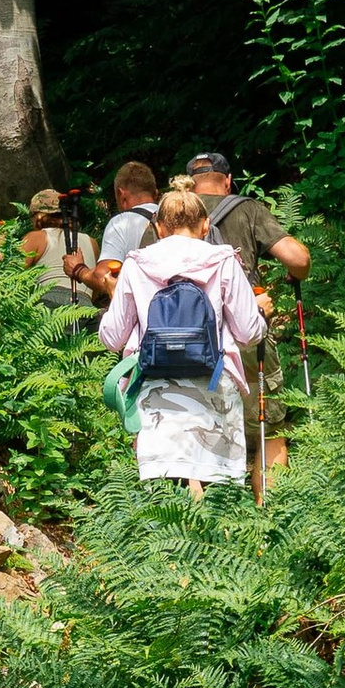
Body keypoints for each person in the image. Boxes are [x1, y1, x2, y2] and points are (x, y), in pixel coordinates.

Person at [100, 185, 263, 500]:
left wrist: (112, 297)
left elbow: (112, 337)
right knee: (219, 495)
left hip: (155, 392)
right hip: (214, 385)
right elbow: (247, 332)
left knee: (166, 494)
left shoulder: (137, 263)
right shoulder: (223, 260)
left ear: (159, 228)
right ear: (205, 226)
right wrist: (261, 316)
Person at [183, 150, 311, 505]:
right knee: (269, 430)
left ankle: (197, 534)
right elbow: (298, 259)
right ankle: (269, 523)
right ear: (227, 180)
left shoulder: (169, 217)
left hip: (187, 341)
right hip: (245, 334)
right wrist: (295, 274)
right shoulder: (246, 209)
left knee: (193, 433)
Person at [18, 183, 98, 319]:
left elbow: (11, 274)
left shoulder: (37, 237)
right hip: (86, 307)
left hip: (49, 302)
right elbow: (95, 286)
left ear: (37, 217)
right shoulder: (91, 242)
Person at [87, 161, 161, 302]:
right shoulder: (175, 217)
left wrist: (80, 271)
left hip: (144, 313)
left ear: (122, 194)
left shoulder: (121, 222)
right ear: (155, 194)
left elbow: (103, 277)